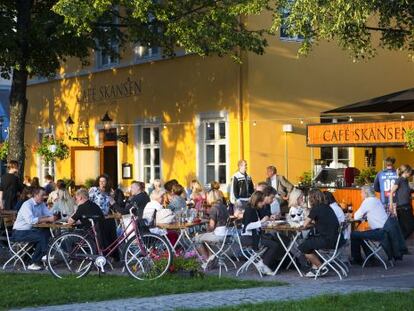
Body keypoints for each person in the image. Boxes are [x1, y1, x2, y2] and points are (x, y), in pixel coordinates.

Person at [298, 189, 339, 277]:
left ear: (312, 199)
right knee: (311, 241)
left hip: (327, 240)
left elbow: (304, 225)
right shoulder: (327, 207)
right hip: (336, 239)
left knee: (303, 246)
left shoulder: (316, 209)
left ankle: (321, 267)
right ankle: (315, 268)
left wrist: (303, 224)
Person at [12, 187, 55, 271]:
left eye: (44, 195)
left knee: (45, 232)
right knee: (42, 236)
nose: (44, 197)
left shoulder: (41, 204)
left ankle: (35, 260)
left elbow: (49, 214)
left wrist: (54, 216)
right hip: (19, 232)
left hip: (30, 231)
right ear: (35, 195)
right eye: (42, 195)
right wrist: (47, 219)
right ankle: (43, 255)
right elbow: (30, 221)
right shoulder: (27, 204)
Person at [241, 191, 282, 275]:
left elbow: (256, 224)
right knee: (274, 245)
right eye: (262, 202)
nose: (263, 204)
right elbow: (247, 227)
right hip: (248, 238)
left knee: (275, 240)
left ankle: (264, 263)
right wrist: (261, 222)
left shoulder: (254, 209)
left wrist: (265, 222)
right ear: (257, 201)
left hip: (254, 235)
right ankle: (263, 264)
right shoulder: (249, 210)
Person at [351, 185, 388, 265]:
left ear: (365, 193)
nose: (361, 194)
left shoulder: (368, 201)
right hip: (386, 230)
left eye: (361, 192)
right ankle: (370, 258)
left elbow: (356, 216)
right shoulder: (376, 200)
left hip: (379, 232)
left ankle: (357, 259)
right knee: (360, 235)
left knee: (354, 234)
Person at [195, 188, 229, 267]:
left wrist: (206, 230)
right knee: (205, 237)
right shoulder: (224, 206)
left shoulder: (214, 208)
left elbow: (211, 226)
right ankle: (211, 257)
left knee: (196, 238)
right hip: (225, 234)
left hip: (218, 235)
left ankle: (207, 261)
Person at [390, 164, 414, 239]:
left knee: (403, 228)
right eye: (410, 172)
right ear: (406, 171)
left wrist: (410, 196)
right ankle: (399, 242)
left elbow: (404, 192)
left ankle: (400, 245)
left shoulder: (405, 180)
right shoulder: (399, 180)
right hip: (402, 207)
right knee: (410, 227)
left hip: (406, 206)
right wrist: (391, 205)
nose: (411, 174)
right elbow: (391, 192)